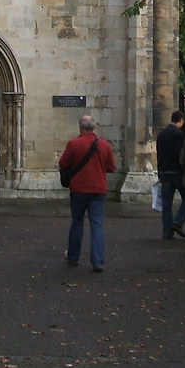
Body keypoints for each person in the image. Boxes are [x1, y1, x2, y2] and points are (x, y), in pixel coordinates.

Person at [58, 114, 116, 272]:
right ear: (94, 127)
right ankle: (98, 261)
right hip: (98, 189)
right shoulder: (104, 145)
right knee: (97, 225)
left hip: (78, 189)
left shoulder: (74, 144)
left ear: (80, 127)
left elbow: (63, 163)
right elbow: (111, 167)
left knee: (77, 222)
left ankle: (73, 256)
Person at [156, 109, 185, 239]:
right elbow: (179, 155)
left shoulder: (161, 134)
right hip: (176, 172)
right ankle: (178, 222)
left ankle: (167, 232)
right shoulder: (178, 134)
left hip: (164, 172)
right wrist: (184, 170)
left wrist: (160, 173)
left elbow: (159, 155)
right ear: (180, 120)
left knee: (166, 204)